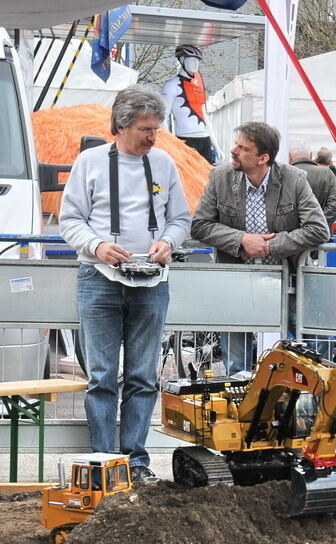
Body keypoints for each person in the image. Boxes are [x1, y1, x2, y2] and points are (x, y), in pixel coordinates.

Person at [59, 85, 191, 485]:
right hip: (98, 278)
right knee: (100, 376)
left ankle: (135, 460)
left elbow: (181, 219)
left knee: (142, 375)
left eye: (156, 129)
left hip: (151, 280)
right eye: (145, 129)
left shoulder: (165, 164)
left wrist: (168, 242)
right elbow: (70, 220)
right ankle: (104, 461)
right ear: (121, 125)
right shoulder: (90, 162)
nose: (153, 137)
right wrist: (97, 245)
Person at [191, 121, 330, 374]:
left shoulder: (294, 179)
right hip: (238, 282)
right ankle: (243, 409)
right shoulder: (220, 177)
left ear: (263, 158)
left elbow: (319, 229)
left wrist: (270, 246)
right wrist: (242, 240)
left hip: (287, 281)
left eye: (243, 148)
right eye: (236, 145)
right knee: (236, 364)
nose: (233, 151)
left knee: (317, 353)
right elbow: (200, 225)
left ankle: (314, 407)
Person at [161, 44, 216, 163]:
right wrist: (169, 143)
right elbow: (164, 116)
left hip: (205, 138)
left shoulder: (198, 87)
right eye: (192, 60)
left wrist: (216, 146)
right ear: (182, 60)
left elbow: (205, 117)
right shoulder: (172, 85)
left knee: (208, 178)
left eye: (197, 61)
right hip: (186, 139)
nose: (195, 65)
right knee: (188, 179)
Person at [289, 141, 336, 228]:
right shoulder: (327, 173)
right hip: (320, 234)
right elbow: (334, 206)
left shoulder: (282, 174)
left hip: (291, 236)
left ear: (290, 156)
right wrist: (317, 226)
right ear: (310, 155)